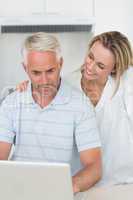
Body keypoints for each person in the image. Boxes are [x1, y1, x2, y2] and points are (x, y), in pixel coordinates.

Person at [17, 31, 133, 186]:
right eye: (90, 57)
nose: (90, 67)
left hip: (121, 183)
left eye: (100, 65)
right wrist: (28, 87)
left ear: (114, 69)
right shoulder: (68, 85)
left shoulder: (125, 84)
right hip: (81, 183)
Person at [0, 32, 102, 193]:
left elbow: (94, 167)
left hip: (63, 192)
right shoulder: (11, 103)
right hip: (18, 191)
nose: (44, 81)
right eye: (36, 73)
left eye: (50, 71)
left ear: (60, 63)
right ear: (25, 68)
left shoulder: (81, 105)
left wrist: (63, 188)